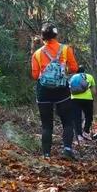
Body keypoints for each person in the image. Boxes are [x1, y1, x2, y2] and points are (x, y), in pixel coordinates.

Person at [31, 23, 79, 159]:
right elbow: (74, 68)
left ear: (42, 37)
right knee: (67, 121)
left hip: (43, 91)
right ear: (56, 35)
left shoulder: (37, 54)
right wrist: (62, 70)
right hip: (61, 90)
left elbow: (35, 76)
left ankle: (46, 154)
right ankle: (67, 149)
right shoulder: (65, 49)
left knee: (46, 125)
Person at [70, 66, 96, 142]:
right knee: (89, 116)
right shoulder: (89, 76)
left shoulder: (73, 77)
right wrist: (92, 96)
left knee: (77, 118)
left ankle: (79, 135)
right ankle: (86, 132)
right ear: (84, 71)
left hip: (74, 99)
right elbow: (94, 91)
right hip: (87, 99)